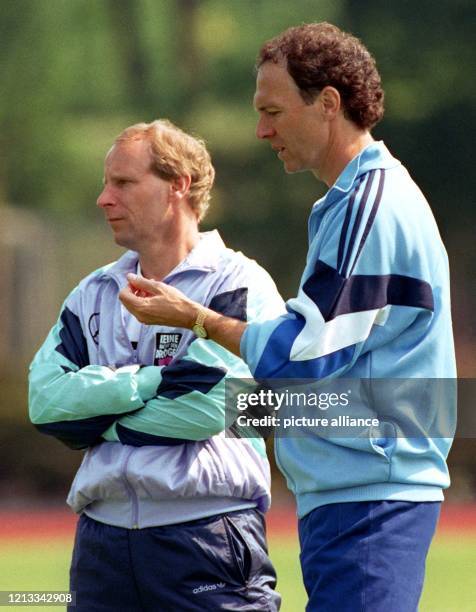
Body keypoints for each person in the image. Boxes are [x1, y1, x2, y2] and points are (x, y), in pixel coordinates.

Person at [119, 24, 457, 612]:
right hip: (352, 491)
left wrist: (196, 320)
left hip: (372, 497)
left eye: (273, 110)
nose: (261, 130)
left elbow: (307, 356)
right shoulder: (349, 202)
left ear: (328, 103)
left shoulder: (371, 205)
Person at [28, 119, 284, 611]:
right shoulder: (93, 292)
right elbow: (45, 403)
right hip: (100, 545)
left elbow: (206, 409)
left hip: (209, 537)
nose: (104, 198)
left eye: (123, 182)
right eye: (106, 184)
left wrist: (95, 418)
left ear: (178, 186)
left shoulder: (239, 282)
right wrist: (148, 382)